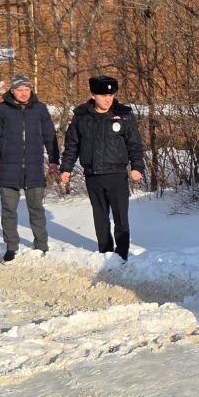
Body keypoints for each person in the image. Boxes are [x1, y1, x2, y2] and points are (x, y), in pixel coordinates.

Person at [59, 75, 145, 261]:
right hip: (93, 176)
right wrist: (66, 168)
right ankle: (105, 253)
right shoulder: (81, 116)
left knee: (121, 218)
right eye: (103, 95)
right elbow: (72, 145)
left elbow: (135, 144)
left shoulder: (124, 115)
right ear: (93, 95)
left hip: (117, 175)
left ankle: (122, 255)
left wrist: (137, 166)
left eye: (111, 95)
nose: (108, 99)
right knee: (100, 218)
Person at [0, 74, 60, 262]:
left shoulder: (39, 109)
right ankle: (11, 246)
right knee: (9, 209)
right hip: (8, 167)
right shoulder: (1, 110)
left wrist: (54, 160)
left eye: (27, 89)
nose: (24, 93)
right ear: (12, 91)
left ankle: (41, 244)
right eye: (20, 90)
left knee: (36, 208)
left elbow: (49, 135)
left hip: (34, 168)